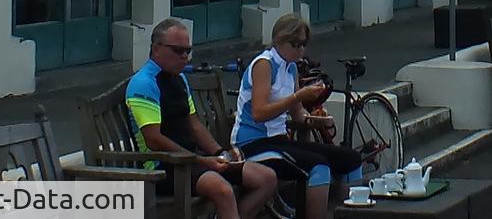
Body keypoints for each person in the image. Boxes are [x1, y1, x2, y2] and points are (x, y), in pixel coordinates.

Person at [126, 19, 279, 219]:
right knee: (223, 190)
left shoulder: (179, 78)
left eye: (187, 51)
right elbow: (153, 139)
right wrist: (202, 161)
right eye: (177, 51)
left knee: (266, 178)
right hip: (162, 167)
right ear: (156, 49)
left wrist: (220, 153)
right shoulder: (144, 83)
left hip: (190, 159)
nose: (185, 57)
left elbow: (194, 124)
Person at [232, 14, 363, 219]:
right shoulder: (264, 65)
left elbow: (298, 114)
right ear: (279, 40)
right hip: (253, 143)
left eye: (304, 44)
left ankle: (351, 213)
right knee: (318, 166)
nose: (301, 50)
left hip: (279, 141)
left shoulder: (291, 67)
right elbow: (259, 113)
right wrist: (296, 96)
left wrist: (319, 119)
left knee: (351, 159)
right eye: (295, 44)